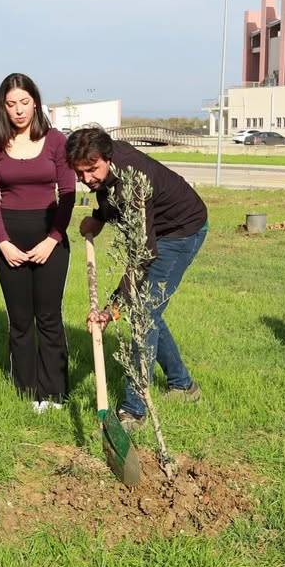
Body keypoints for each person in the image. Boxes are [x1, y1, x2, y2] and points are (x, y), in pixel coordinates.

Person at [68, 128, 208, 431]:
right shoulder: (105, 166)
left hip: (181, 230)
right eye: (80, 173)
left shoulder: (132, 178)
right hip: (159, 229)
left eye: (91, 170)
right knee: (150, 311)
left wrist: (112, 308)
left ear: (108, 158)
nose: (87, 179)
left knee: (143, 315)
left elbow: (142, 255)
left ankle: (134, 411)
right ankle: (183, 386)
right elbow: (106, 190)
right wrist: (100, 217)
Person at [0, 73, 75, 412]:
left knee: (49, 316)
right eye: (11, 104)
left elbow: (67, 193)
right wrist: (3, 242)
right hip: (10, 240)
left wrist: (53, 239)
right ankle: (27, 389)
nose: (18, 110)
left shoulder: (56, 141)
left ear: (35, 102)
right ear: (2, 108)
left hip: (50, 238)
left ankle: (53, 392)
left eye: (24, 102)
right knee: (20, 319)